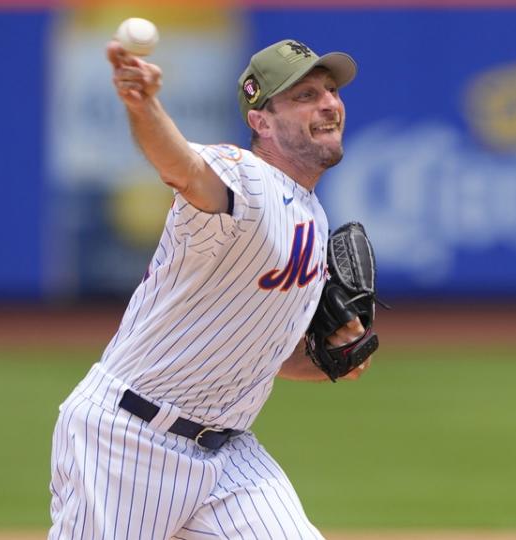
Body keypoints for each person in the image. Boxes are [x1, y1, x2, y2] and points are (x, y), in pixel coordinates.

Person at [48, 38, 372, 540]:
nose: (329, 103)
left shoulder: (312, 216)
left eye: (330, 90)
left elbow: (268, 357)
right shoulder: (246, 179)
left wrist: (332, 359)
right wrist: (143, 103)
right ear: (261, 121)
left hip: (227, 457)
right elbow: (182, 167)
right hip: (124, 443)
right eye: (305, 95)